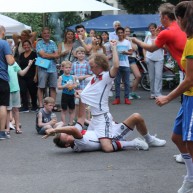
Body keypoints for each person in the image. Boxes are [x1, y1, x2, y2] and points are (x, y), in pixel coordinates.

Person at [155, 2, 193, 193]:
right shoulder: (188, 39)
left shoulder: (192, 42)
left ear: (180, 19)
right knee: (177, 137)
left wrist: (167, 98)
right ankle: (191, 177)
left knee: (190, 142)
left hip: (192, 97)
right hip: (187, 97)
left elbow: (190, 80)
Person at [43, 100, 166, 152]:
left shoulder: (74, 138)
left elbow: (80, 118)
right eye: (67, 136)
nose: (69, 133)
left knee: (99, 116)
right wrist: (54, 130)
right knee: (136, 116)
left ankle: (147, 139)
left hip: (102, 131)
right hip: (112, 137)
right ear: (67, 144)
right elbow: (73, 128)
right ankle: (144, 141)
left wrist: (81, 98)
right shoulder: (79, 144)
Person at [131, 3, 187, 74]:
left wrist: (136, 40)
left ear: (165, 17)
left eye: (160, 16)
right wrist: (159, 37)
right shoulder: (180, 25)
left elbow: (151, 48)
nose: (159, 19)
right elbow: (172, 51)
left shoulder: (166, 32)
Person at [6, 60, 33, 136]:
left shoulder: (14, 63)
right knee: (8, 110)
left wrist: (29, 66)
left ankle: (17, 127)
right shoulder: (2, 63)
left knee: (16, 109)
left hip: (16, 89)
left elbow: (21, 73)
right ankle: (7, 128)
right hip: (6, 89)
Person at [36, 27, 59, 109]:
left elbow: (57, 55)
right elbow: (42, 55)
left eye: (48, 33)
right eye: (45, 33)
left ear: (50, 34)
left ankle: (52, 105)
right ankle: (41, 105)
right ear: (42, 34)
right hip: (42, 67)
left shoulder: (53, 43)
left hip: (52, 68)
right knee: (41, 87)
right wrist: (52, 55)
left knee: (53, 87)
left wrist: (47, 55)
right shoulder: (39, 43)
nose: (46, 34)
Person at [0, 25, 15, 140]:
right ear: (3, 33)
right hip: (2, 78)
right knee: (2, 105)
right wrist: (12, 56)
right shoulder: (4, 44)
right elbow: (10, 62)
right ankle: (1, 132)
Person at [112, 27, 133, 105]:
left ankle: (126, 98)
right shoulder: (115, 42)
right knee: (117, 82)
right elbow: (112, 52)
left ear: (124, 33)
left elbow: (131, 52)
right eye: (119, 32)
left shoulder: (127, 42)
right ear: (117, 33)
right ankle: (117, 98)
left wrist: (126, 52)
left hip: (125, 64)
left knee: (126, 82)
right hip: (117, 65)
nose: (120, 34)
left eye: (121, 32)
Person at [71, 47, 92, 121]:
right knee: (77, 103)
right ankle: (76, 118)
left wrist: (82, 77)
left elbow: (90, 74)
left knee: (85, 102)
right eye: (79, 53)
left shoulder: (87, 63)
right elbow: (71, 74)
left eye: (83, 53)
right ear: (76, 55)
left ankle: (85, 118)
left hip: (85, 86)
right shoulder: (74, 64)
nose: (81, 55)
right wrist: (75, 77)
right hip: (77, 87)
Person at [143, 23, 164, 99]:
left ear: (156, 28)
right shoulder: (147, 37)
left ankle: (158, 93)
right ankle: (152, 93)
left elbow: (164, 47)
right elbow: (144, 47)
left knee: (158, 76)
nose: (151, 30)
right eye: (150, 28)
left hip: (159, 59)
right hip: (149, 58)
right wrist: (145, 56)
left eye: (153, 28)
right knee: (151, 77)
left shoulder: (160, 36)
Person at [18, 40, 38, 112]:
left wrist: (36, 75)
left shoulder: (34, 54)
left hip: (31, 75)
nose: (26, 46)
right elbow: (19, 65)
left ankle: (34, 106)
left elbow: (37, 65)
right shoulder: (21, 54)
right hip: (22, 76)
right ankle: (25, 107)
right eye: (24, 45)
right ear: (23, 46)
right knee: (23, 91)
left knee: (33, 91)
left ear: (30, 45)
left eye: (27, 45)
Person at [57, 61, 77, 126]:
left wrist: (74, 86)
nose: (68, 69)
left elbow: (75, 84)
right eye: (66, 67)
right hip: (65, 95)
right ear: (63, 68)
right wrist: (65, 85)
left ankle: (71, 122)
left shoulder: (73, 77)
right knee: (64, 110)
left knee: (72, 109)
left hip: (71, 95)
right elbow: (59, 87)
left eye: (69, 67)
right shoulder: (61, 77)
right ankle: (63, 123)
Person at [124, 27, 141, 100]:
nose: (127, 32)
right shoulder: (122, 40)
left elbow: (135, 48)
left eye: (128, 31)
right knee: (126, 78)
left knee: (138, 76)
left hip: (132, 59)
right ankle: (127, 95)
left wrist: (130, 40)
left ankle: (132, 93)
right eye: (126, 31)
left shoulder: (132, 39)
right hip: (125, 59)